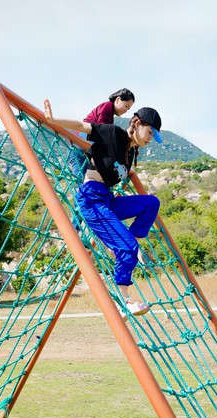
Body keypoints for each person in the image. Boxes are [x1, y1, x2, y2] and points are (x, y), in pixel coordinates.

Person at [44, 98, 162, 317]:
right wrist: (52, 119)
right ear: (137, 123)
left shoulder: (130, 154)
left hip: (106, 200)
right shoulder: (114, 134)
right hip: (91, 200)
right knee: (128, 249)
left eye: (154, 136)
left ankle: (123, 243)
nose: (151, 138)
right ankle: (123, 299)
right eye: (150, 132)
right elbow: (82, 127)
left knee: (151, 203)